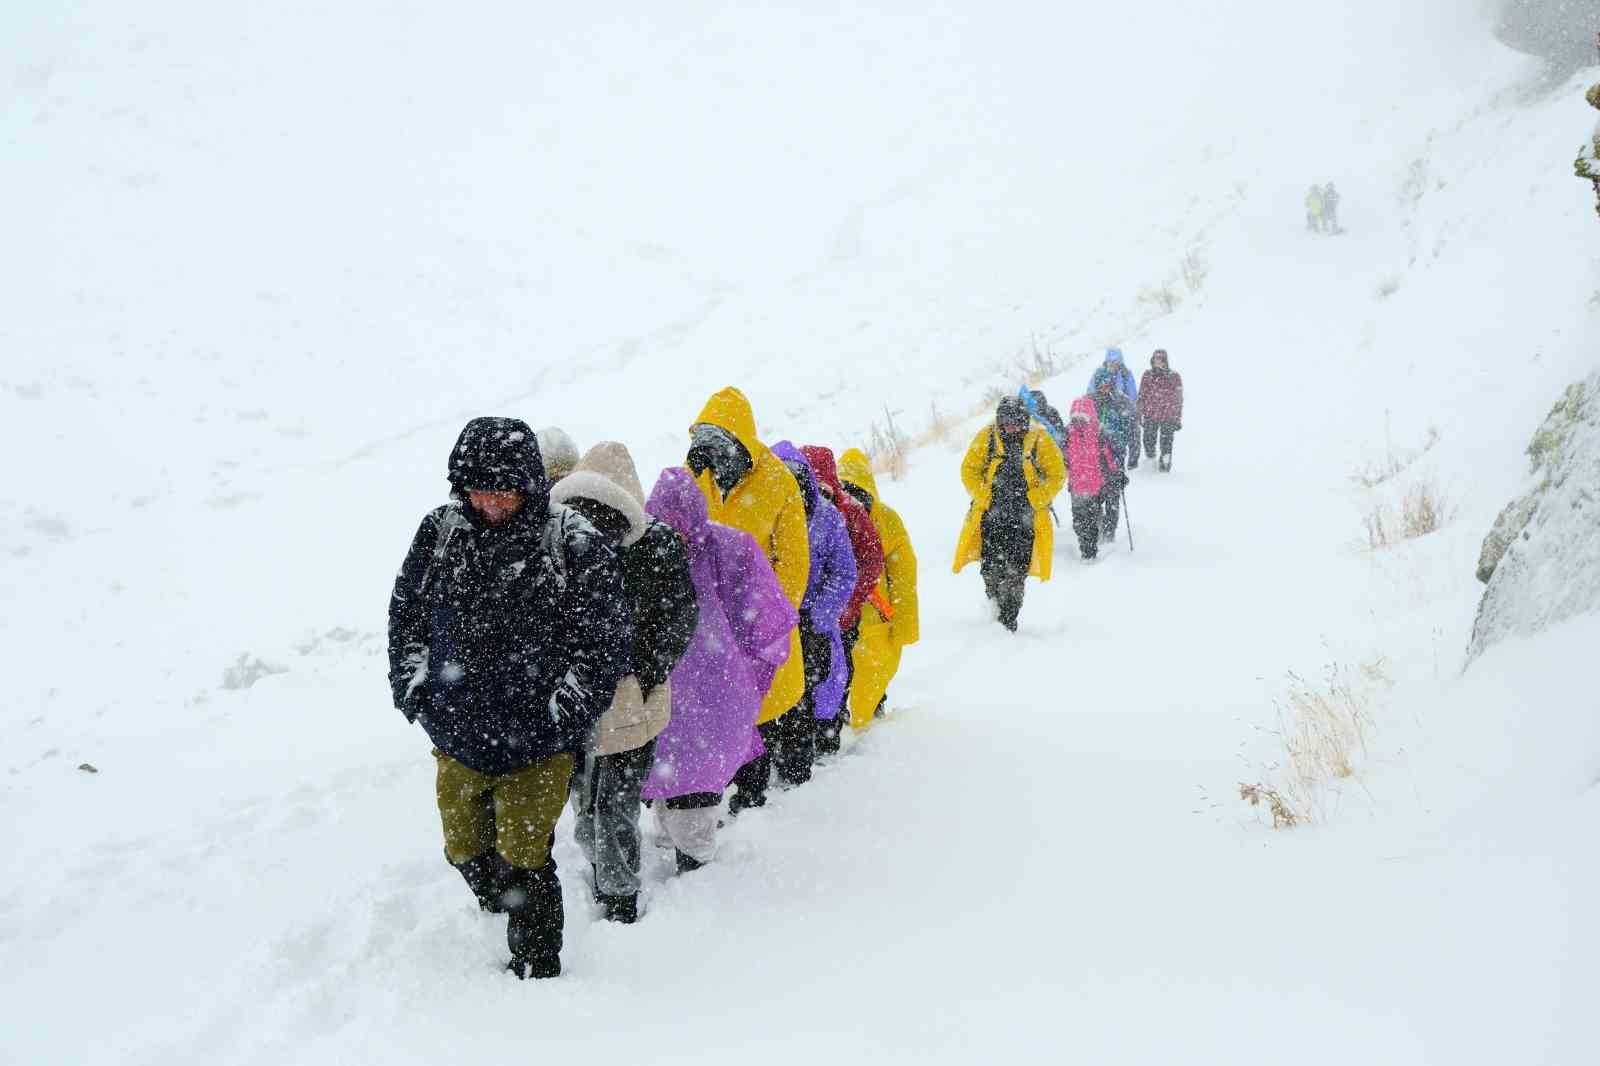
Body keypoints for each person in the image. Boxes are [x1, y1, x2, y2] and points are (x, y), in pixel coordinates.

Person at [387, 417, 632, 980]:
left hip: (538, 743)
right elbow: (407, 615)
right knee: (464, 847)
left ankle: (538, 965)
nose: (489, 500)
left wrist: (562, 712)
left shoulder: (570, 539)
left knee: (527, 857)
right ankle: (496, 909)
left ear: (528, 482)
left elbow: (605, 641)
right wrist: (416, 689)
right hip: (456, 735)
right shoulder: (440, 531)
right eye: (476, 487)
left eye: (502, 487)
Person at [548, 442, 698, 924]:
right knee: (601, 808)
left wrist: (635, 671)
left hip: (607, 699)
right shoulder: (573, 540)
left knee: (602, 804)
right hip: (605, 703)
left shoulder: (646, 544)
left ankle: (614, 891)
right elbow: (679, 619)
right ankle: (611, 886)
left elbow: (679, 615)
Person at [639, 469, 796, 873]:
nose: (675, 531)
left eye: (680, 521)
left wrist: (742, 666)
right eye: (665, 521)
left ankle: (696, 868)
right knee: (672, 779)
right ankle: (685, 850)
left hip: (713, 693)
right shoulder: (641, 551)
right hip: (666, 692)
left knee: (698, 785)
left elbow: (763, 616)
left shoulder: (729, 548)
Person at [684, 387, 808, 815]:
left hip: (759, 619)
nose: (711, 457)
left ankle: (753, 798)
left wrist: (765, 616)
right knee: (720, 711)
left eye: (719, 445)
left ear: (739, 440)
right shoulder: (695, 473)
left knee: (762, 707)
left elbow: (794, 563)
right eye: (704, 446)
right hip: (711, 621)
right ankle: (718, 792)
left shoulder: (778, 483)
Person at [760, 443, 857, 783]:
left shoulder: (827, 518)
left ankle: (796, 770)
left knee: (802, 697)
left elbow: (844, 572)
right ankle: (764, 766)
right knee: (766, 698)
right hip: (767, 625)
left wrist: (819, 614)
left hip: (808, 625)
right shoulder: (761, 514)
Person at [952, 396, 1065, 632]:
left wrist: (1034, 499)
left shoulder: (1039, 438)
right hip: (991, 518)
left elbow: (1057, 475)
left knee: (1016, 573)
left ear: (1024, 420)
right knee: (991, 569)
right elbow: (969, 471)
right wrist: (985, 497)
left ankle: (1008, 619)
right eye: (1005, 421)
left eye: (1014, 421)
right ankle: (994, 604)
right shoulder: (987, 437)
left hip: (1025, 521)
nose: (1009, 426)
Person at [800, 444, 883, 757]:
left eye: (823, 486)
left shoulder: (850, 512)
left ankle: (827, 739)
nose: (817, 493)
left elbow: (870, 561)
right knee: (806, 683)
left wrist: (848, 603)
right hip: (804, 616)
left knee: (836, 675)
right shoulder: (795, 508)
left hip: (842, 617)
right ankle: (805, 741)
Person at [838, 448, 919, 727]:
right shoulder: (886, 519)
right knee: (872, 676)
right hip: (875, 615)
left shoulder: (827, 509)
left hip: (838, 612)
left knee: (839, 672)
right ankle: (869, 718)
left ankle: (843, 723)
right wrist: (904, 624)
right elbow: (903, 577)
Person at [1065, 397, 1122, 561]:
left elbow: (1111, 458)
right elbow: (1061, 457)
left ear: (1090, 416)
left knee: (1090, 519)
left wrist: (1117, 473)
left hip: (1097, 484)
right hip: (1077, 485)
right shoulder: (1068, 434)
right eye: (1075, 418)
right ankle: (1088, 546)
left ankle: (1090, 552)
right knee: (1079, 522)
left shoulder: (1100, 434)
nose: (1078, 422)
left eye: (1082, 418)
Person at [1089, 368, 1134, 542]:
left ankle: (1110, 531)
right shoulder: (1090, 402)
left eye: (1107, 383)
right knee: (1095, 494)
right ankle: (1098, 524)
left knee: (1113, 494)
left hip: (1115, 454)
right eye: (1101, 384)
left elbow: (1128, 428)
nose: (1104, 387)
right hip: (1094, 456)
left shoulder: (1121, 401)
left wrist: (1114, 440)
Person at [1089, 348, 1140, 469]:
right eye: (1111, 362)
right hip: (1104, 408)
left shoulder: (1125, 374)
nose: (1113, 365)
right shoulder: (1100, 373)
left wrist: (1128, 406)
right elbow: (1091, 388)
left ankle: (1128, 462)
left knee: (1130, 432)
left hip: (1122, 408)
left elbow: (1132, 392)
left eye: (1116, 363)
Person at [1137, 349, 1184, 472]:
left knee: (1166, 443)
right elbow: (1141, 395)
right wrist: (1139, 413)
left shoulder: (1174, 376)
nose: (1158, 362)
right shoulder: (1147, 375)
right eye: (1156, 359)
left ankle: (1165, 467)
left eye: (1161, 359)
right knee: (1148, 440)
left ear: (1165, 361)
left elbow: (1178, 399)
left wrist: (1177, 418)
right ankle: (1150, 461)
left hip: (1168, 416)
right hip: (1150, 414)